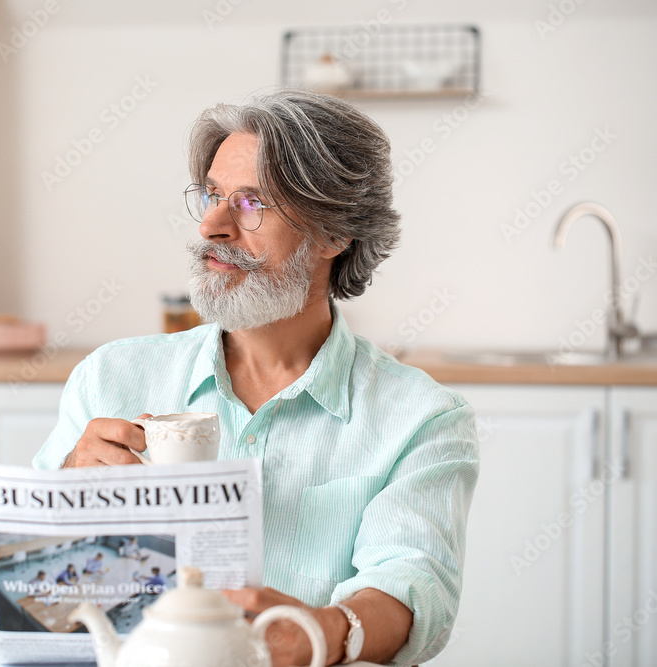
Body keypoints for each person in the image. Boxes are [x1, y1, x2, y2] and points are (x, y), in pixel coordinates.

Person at [33, 89, 478, 666]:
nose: (212, 227)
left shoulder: (422, 417)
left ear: (333, 233)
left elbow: (413, 584)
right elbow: (37, 596)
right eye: (212, 196)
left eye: (251, 204)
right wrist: (70, 490)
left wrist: (320, 632)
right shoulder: (111, 377)